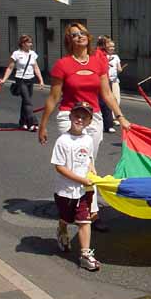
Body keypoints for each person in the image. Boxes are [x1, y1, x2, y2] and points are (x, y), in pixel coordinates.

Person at [39, 23, 131, 233]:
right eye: (74, 35)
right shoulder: (62, 65)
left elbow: (107, 94)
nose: (78, 36)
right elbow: (53, 98)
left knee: (89, 165)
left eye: (82, 33)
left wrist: (120, 117)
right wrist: (42, 125)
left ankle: (89, 210)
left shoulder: (98, 62)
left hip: (93, 118)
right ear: (68, 41)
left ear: (88, 37)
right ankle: (75, 210)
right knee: (74, 165)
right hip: (69, 117)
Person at [51, 101, 100, 271]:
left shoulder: (87, 139)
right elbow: (59, 167)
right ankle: (62, 229)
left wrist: (92, 173)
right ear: (70, 117)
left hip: (83, 190)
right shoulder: (63, 141)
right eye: (77, 116)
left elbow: (89, 159)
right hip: (65, 191)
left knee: (84, 221)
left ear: (89, 121)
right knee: (66, 218)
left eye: (84, 117)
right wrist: (80, 180)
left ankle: (85, 254)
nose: (80, 119)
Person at [0, 34, 45, 131]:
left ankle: (22, 122)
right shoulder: (16, 54)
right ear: (23, 44)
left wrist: (41, 80)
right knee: (28, 102)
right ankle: (32, 123)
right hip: (20, 80)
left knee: (25, 102)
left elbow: (36, 67)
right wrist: (4, 80)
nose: (31, 44)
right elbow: (10, 68)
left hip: (30, 79)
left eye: (31, 42)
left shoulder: (32, 54)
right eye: (29, 42)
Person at [96, 36, 116, 134]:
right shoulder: (98, 53)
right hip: (100, 81)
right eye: (108, 43)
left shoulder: (104, 54)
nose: (110, 46)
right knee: (103, 103)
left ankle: (108, 124)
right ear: (103, 44)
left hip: (106, 80)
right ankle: (106, 124)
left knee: (107, 103)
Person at [106, 39, 123, 125]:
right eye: (110, 46)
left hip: (115, 81)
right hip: (106, 82)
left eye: (113, 46)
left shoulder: (116, 57)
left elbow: (119, 68)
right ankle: (109, 118)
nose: (112, 48)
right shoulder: (103, 56)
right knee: (108, 100)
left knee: (117, 99)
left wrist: (119, 69)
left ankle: (115, 117)